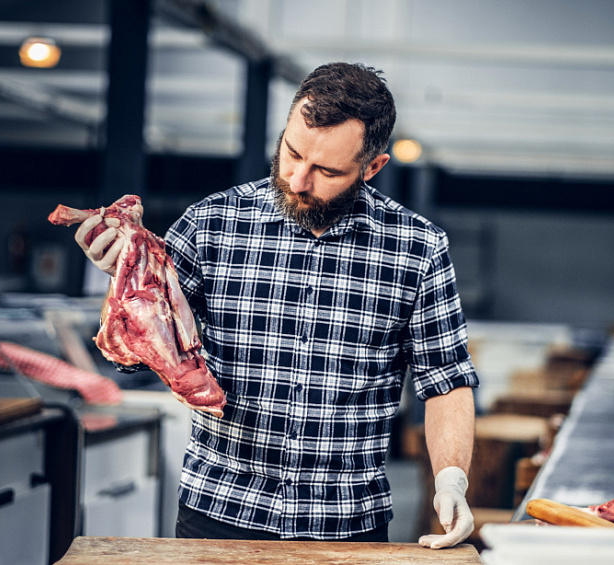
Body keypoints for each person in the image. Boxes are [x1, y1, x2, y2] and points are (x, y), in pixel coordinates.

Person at [75, 62, 479, 549]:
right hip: (218, 514)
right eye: (291, 153)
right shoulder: (211, 223)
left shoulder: (417, 247)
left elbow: (446, 381)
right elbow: (139, 349)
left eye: (326, 170)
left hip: (347, 526)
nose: (298, 179)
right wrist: (123, 276)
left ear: (372, 168)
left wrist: (451, 478)